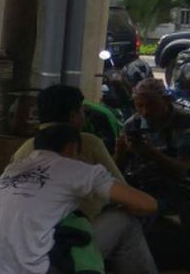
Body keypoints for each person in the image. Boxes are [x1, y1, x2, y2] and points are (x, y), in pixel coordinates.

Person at [0, 124, 161, 274]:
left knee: (66, 224)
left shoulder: (14, 169)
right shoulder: (74, 168)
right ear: (71, 148)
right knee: (124, 221)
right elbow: (148, 205)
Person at [11, 84, 125, 218]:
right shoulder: (89, 143)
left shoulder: (22, 151)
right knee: (128, 220)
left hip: (29, 228)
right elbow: (122, 190)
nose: (85, 116)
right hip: (80, 230)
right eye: (82, 110)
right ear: (73, 116)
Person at [115, 77, 190, 220]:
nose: (145, 112)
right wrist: (120, 152)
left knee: (146, 213)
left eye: (152, 106)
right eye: (139, 106)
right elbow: (118, 170)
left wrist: (151, 153)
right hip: (142, 181)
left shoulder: (188, 122)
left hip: (178, 187)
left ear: (167, 101)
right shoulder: (132, 124)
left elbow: (182, 172)